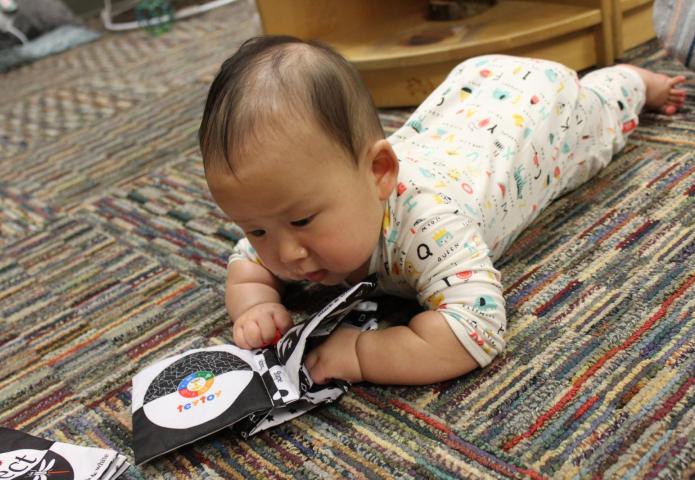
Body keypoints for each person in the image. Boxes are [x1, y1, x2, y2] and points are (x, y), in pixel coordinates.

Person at [198, 36, 686, 386]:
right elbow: (248, 262)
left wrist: (362, 355)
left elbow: (476, 328)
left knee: (600, 118)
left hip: (540, 118)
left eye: (302, 221)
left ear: (379, 173)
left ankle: (637, 78)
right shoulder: (285, 217)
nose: (286, 253)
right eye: (257, 227)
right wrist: (257, 303)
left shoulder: (429, 225)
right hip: (466, 104)